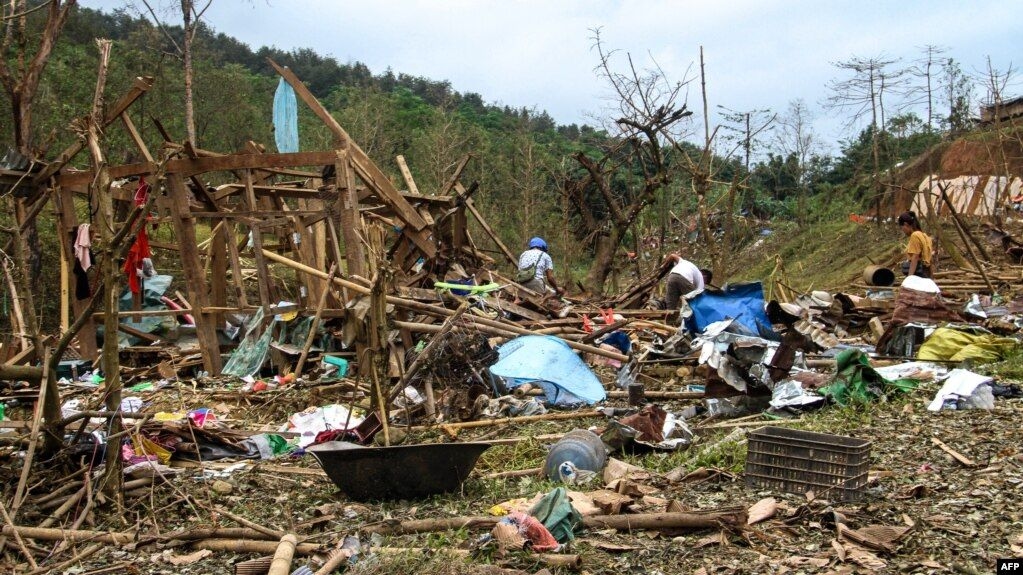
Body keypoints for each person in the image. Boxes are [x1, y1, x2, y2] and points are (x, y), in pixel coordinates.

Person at [898, 211, 934, 278]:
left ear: (905, 224)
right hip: (926, 272)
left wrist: (909, 277)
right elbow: (930, 259)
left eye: (901, 228)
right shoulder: (924, 236)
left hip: (918, 274)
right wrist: (931, 277)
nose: (902, 230)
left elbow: (915, 257)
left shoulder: (915, 235)